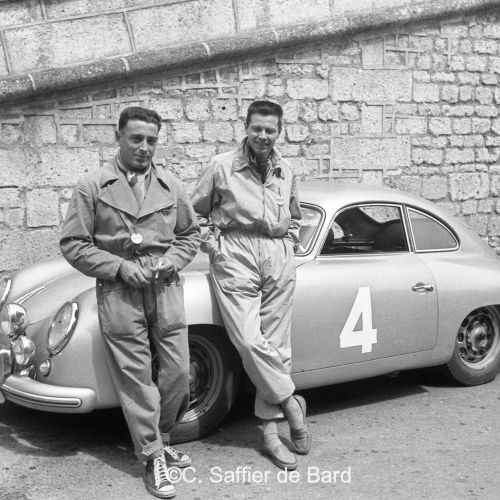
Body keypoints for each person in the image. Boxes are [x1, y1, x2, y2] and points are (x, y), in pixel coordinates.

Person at [60, 106, 200, 499]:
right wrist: (119, 267)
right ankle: (152, 456)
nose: (144, 147)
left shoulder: (171, 185)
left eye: (151, 140)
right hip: (120, 291)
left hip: (165, 287)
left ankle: (162, 438)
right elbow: (73, 244)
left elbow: (190, 235)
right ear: (118, 137)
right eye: (136, 138)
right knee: (136, 379)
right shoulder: (93, 186)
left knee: (178, 372)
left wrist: (172, 260)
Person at [191, 99, 311, 470]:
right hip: (236, 252)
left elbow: (295, 214)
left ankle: (271, 435)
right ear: (245, 127)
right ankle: (291, 402)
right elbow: (194, 213)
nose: (263, 135)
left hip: (277, 255)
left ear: (279, 132)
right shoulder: (221, 166)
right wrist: (214, 247)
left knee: (277, 346)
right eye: (256, 128)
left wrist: (289, 242)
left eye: (270, 130)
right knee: (247, 339)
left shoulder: (286, 168)